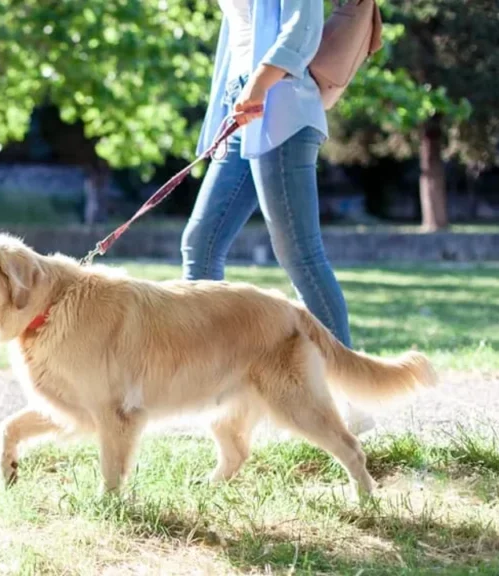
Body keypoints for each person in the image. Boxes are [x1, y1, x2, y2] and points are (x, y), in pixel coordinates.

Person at [181, 0, 375, 435]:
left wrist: (257, 86)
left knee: (300, 254)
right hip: (243, 105)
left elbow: (302, 26)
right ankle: (210, 389)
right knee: (201, 244)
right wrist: (233, 101)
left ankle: (352, 395)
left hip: (280, 105)